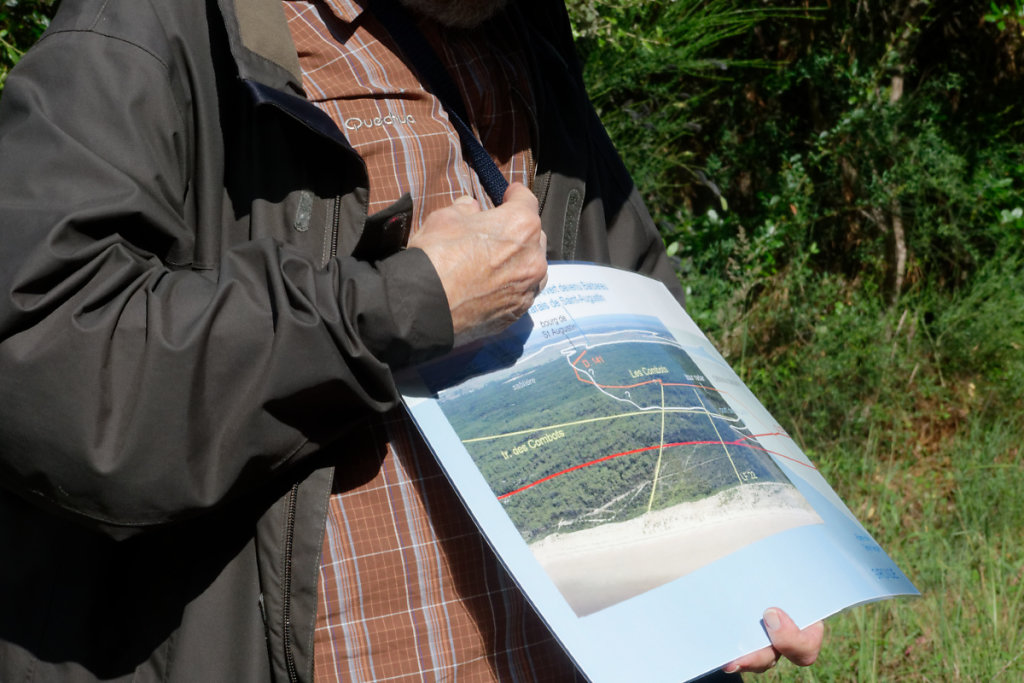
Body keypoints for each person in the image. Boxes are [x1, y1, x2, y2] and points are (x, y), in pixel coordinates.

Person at [0, 0, 823, 680]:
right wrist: (405, 303)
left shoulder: (519, 33)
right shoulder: (157, 27)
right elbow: (40, 358)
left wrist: (735, 559)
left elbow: (639, 312)